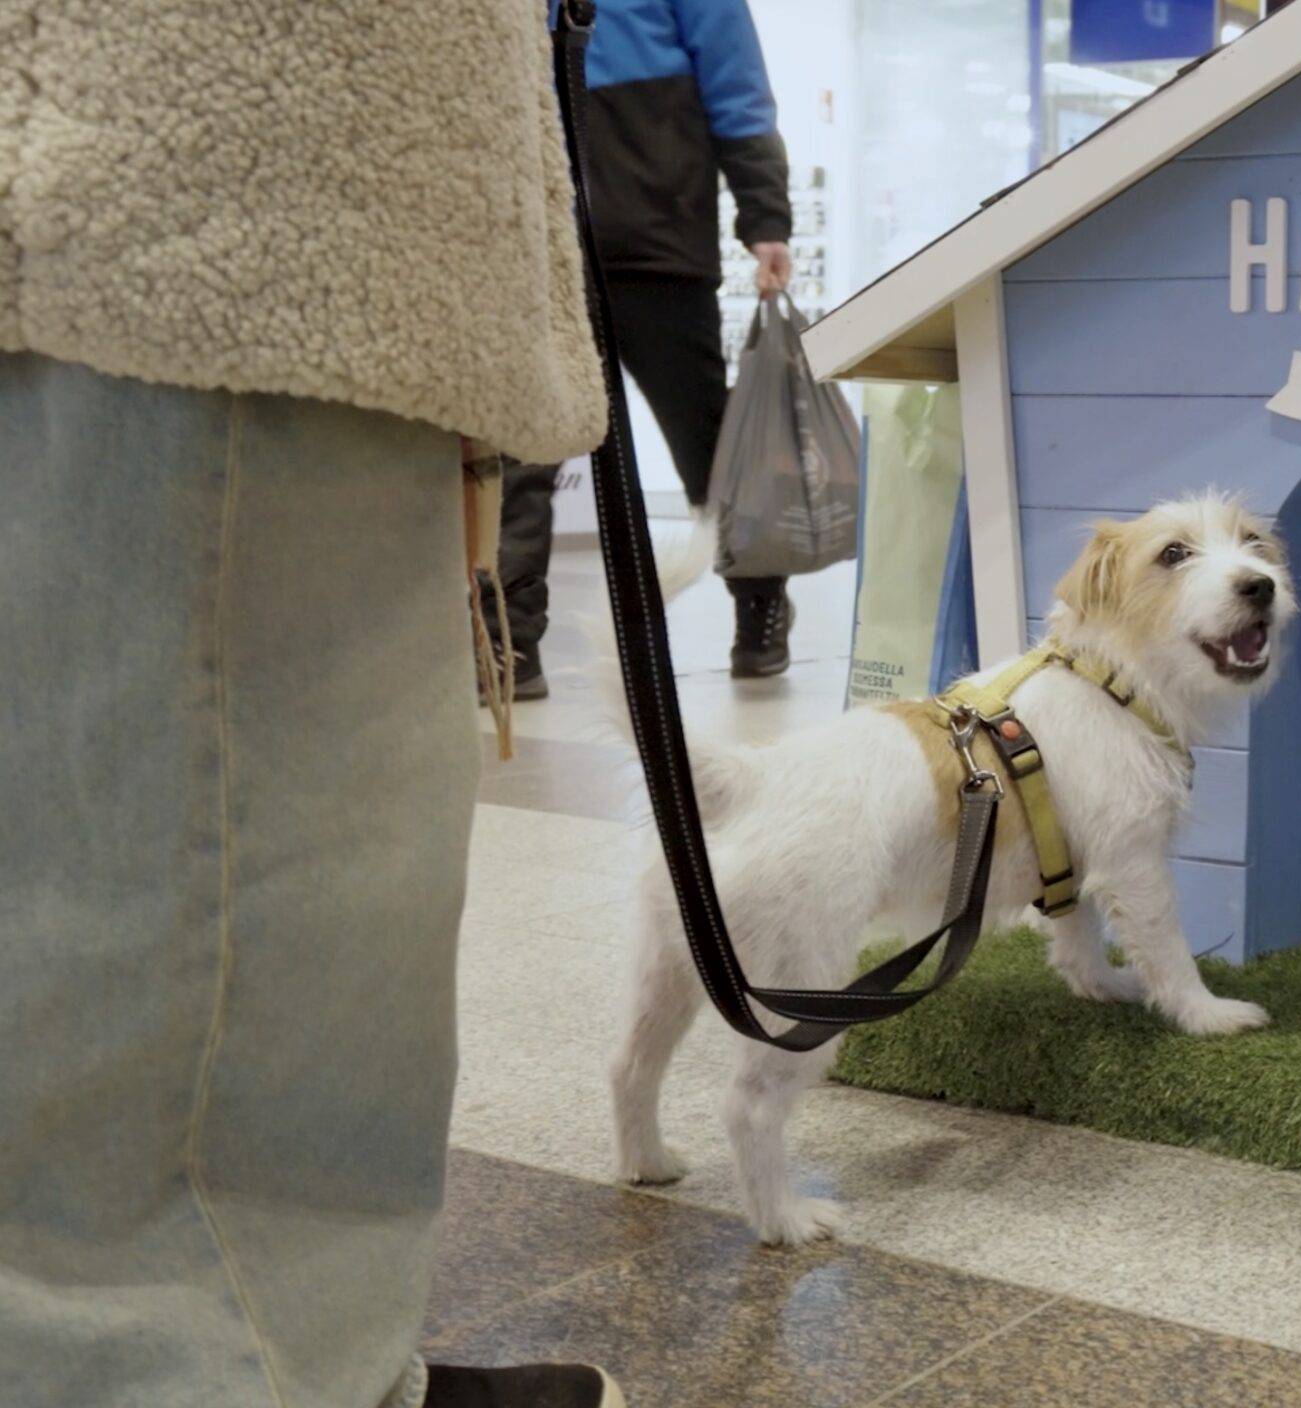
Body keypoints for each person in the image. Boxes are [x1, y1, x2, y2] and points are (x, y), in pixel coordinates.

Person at [1, 5, 621, 1406]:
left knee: (106, 829)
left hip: (144, 171)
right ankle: (211, 1365)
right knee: (257, 835)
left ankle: (264, 1344)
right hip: (217, 163)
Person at [486, 0, 800, 693]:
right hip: (543, 248)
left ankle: (759, 604)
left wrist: (766, 216)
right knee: (528, 449)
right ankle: (511, 643)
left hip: (659, 240)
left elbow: (736, 81)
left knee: (707, 443)